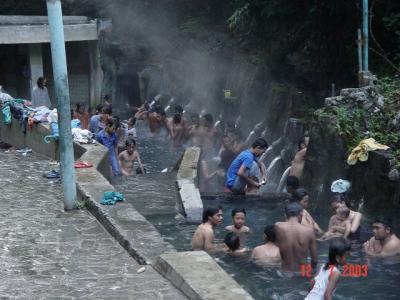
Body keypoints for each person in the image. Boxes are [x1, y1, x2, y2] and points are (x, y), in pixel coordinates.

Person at [275, 202, 318, 273]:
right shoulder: (309, 231)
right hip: (303, 273)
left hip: (285, 273)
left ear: (285, 215)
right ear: (301, 214)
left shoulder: (278, 226)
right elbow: (315, 261)